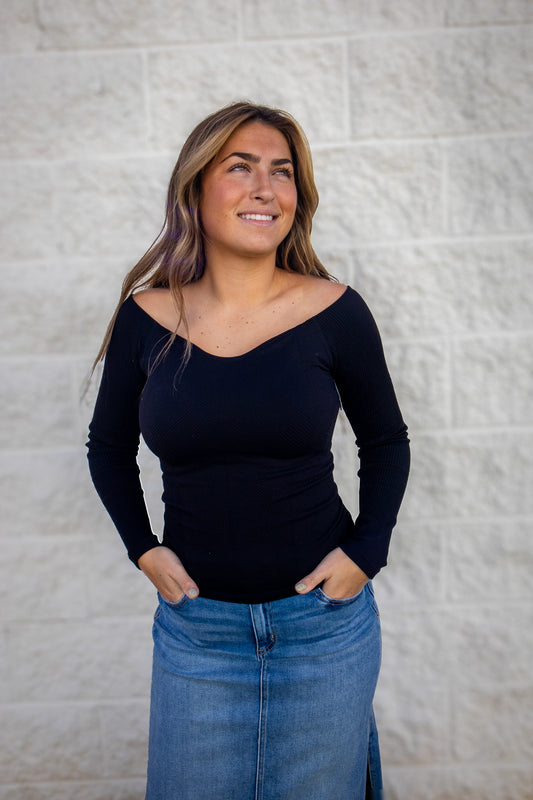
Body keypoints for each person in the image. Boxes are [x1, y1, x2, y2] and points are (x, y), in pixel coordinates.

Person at [87, 101, 410, 800]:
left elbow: (385, 440)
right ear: (196, 188)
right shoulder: (147, 317)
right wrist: (143, 548)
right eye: (240, 167)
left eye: (282, 171)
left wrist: (366, 553)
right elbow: (107, 446)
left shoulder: (335, 310)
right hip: (198, 637)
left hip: (323, 631)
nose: (266, 188)